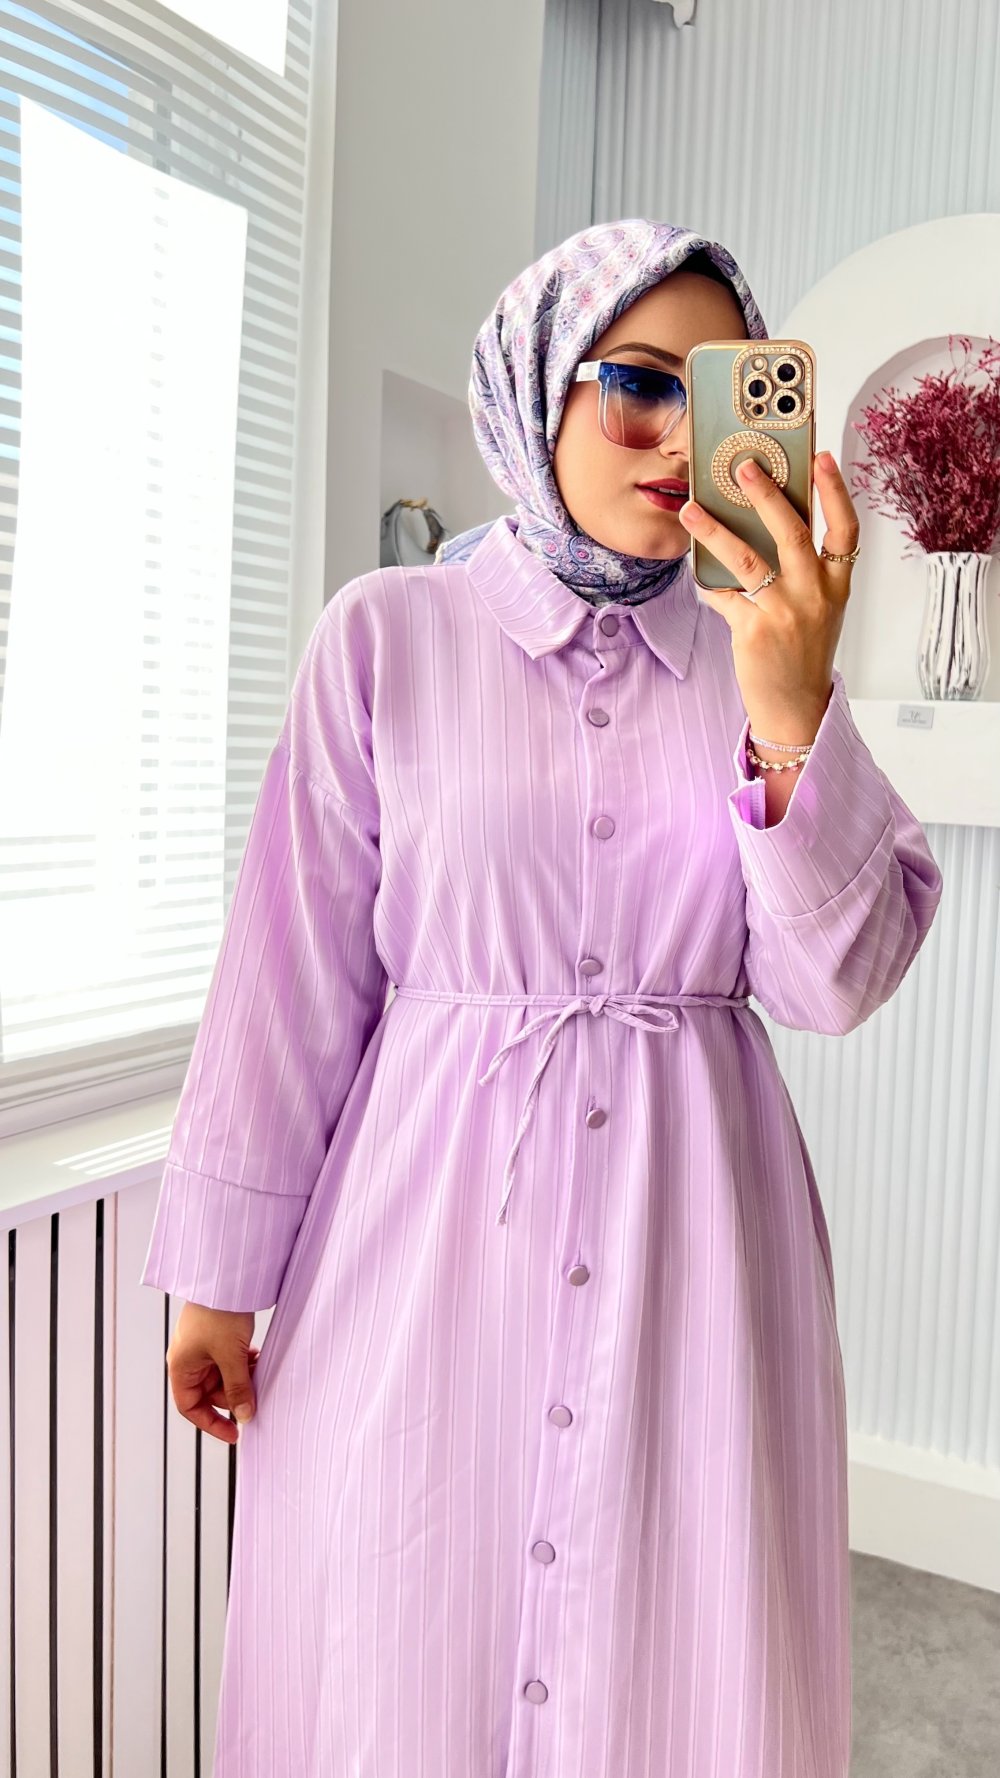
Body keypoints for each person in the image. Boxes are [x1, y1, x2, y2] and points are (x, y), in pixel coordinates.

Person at [140, 218, 944, 1778]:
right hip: (423, 1238)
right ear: (534, 384)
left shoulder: (760, 655)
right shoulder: (388, 637)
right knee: (396, 1634)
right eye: (637, 386)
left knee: (674, 1659)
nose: (677, 441)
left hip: (694, 1250)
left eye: (720, 395)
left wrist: (791, 707)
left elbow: (834, 981)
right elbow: (288, 978)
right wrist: (218, 1280)